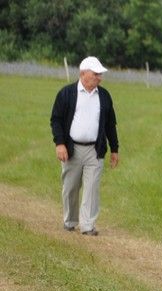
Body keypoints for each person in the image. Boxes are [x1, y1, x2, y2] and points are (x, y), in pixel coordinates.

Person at [50, 56, 119, 236]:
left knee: (92, 188)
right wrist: (60, 144)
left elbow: (110, 124)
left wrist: (115, 149)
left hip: (95, 150)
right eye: (96, 74)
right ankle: (70, 221)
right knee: (71, 187)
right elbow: (56, 120)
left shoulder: (104, 96)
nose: (99, 78)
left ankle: (88, 225)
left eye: (100, 74)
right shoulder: (66, 94)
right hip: (72, 149)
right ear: (83, 74)